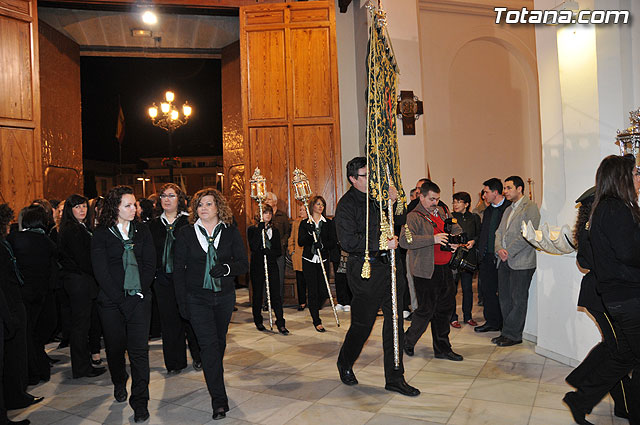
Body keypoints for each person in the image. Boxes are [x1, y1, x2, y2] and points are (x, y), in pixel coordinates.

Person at [563, 155, 640, 425]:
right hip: (625, 295)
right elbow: (630, 253)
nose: (637, 179)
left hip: (618, 294)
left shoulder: (609, 210)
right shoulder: (614, 209)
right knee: (618, 350)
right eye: (634, 173)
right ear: (622, 178)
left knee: (623, 354)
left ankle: (582, 398)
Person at [335, 156, 419, 397]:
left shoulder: (378, 198)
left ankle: (395, 377)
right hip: (365, 270)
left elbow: (400, 221)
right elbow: (349, 241)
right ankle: (345, 361)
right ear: (353, 179)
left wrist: (394, 202)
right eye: (366, 176)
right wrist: (381, 242)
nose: (371, 180)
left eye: (372, 175)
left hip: (391, 267)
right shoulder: (346, 205)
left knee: (395, 323)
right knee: (363, 324)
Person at [173, 188, 248, 421]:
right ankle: (219, 401)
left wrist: (226, 269)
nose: (203, 209)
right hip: (197, 299)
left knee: (218, 343)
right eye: (199, 205)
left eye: (208, 204)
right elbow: (178, 272)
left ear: (218, 207)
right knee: (208, 347)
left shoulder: (230, 232)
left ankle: (214, 372)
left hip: (224, 297)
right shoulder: (185, 234)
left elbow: (243, 264)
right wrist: (182, 303)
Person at [91, 186, 155, 423]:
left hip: (139, 299)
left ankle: (140, 402)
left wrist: (138, 293)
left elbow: (150, 264)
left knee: (140, 353)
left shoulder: (143, 229)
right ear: (115, 207)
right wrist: (120, 299)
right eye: (128, 205)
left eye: (134, 204)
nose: (134, 209)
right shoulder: (102, 233)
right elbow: (101, 270)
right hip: (111, 302)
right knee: (116, 349)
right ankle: (119, 380)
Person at [399, 181, 463, 361]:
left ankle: (442, 348)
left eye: (437, 199)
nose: (435, 202)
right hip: (425, 270)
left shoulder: (442, 212)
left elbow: (455, 229)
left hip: (444, 267)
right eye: (432, 199)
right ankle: (407, 340)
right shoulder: (413, 216)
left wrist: (455, 240)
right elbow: (405, 241)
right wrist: (433, 239)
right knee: (426, 310)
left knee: (445, 309)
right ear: (421, 196)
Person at [149, 183, 202, 375]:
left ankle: (199, 357)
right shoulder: (153, 225)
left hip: (187, 279)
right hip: (162, 280)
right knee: (169, 322)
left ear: (180, 199)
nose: (166, 199)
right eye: (163, 196)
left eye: (171, 196)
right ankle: (174, 362)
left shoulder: (189, 223)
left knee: (191, 319)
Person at [0, 203, 43, 417]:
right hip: (9, 304)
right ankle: (14, 397)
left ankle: (17, 394)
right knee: (13, 353)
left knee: (17, 352)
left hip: (15, 301)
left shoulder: (5, 242)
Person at [7, 205, 57, 385]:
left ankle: (30, 373)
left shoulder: (13, 238)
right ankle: (39, 369)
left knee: (25, 335)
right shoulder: (46, 241)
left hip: (21, 294)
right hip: (41, 294)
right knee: (35, 334)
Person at [58, 194, 107, 379]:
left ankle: (83, 365)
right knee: (80, 326)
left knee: (83, 325)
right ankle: (81, 368)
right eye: (77, 207)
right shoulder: (73, 230)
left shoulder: (79, 227)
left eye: (84, 206)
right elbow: (83, 259)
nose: (82, 210)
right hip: (79, 282)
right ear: (70, 210)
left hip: (80, 281)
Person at [493, 176, 540, 347]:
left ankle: (514, 335)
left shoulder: (531, 207)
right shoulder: (508, 209)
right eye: (504, 188)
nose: (505, 191)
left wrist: (508, 251)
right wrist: (499, 249)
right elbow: (498, 232)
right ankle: (506, 331)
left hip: (521, 261)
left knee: (518, 299)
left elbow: (528, 234)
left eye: (508, 188)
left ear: (519, 189)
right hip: (504, 260)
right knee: (504, 298)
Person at [474, 178, 511, 333]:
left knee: (504, 292)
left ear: (496, 192)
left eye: (486, 192)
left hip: (503, 257)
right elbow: (484, 232)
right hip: (487, 257)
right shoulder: (488, 210)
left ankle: (506, 324)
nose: (484, 195)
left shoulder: (509, 209)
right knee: (488, 291)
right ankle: (491, 322)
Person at [247, 204, 288, 334]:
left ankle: (280, 322)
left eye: (270, 213)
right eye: (265, 213)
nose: (268, 215)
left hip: (271, 265)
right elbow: (253, 246)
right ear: (259, 215)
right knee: (258, 293)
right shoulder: (252, 230)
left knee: (276, 294)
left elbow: (278, 251)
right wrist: (260, 228)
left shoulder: (274, 230)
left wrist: (269, 252)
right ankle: (258, 320)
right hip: (257, 266)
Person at [298, 196, 335, 331]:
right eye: (318, 204)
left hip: (323, 260)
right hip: (309, 261)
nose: (321, 207)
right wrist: (310, 236)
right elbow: (300, 241)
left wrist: (322, 245)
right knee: (312, 291)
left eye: (323, 205)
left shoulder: (328, 223)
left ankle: (315, 307)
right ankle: (316, 320)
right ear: (312, 206)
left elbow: (333, 242)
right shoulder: (305, 223)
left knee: (323, 291)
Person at [449, 191, 481, 328]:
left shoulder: (474, 217)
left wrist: (473, 241)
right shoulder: (450, 218)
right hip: (454, 257)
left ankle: (468, 316)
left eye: (459, 202)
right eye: (454, 202)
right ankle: (452, 317)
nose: (455, 204)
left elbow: (480, 235)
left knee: (468, 289)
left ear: (466, 204)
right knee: (452, 289)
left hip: (469, 257)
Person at [264, 192, 290, 305]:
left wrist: (281, 243)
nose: (266, 201)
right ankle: (267, 301)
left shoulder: (282, 216)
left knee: (279, 278)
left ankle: (277, 301)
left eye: (269, 199)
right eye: (265, 199)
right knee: (266, 277)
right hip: (266, 252)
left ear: (275, 202)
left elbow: (287, 232)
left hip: (279, 252)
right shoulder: (262, 215)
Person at [288, 204, 308, 311]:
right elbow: (291, 239)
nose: (301, 212)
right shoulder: (296, 222)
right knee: (300, 280)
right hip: (298, 256)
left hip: (310, 256)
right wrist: (292, 252)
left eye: (303, 210)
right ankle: (302, 302)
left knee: (311, 280)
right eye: (300, 210)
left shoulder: (311, 221)